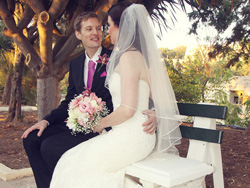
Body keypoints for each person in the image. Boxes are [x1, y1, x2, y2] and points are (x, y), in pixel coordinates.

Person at [50, 3, 181, 188]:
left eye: (110, 25)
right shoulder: (136, 56)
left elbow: (127, 111)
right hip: (127, 133)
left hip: (133, 136)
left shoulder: (128, 57)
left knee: (73, 163)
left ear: (122, 27)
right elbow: (156, 97)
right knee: (71, 158)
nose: (107, 30)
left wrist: (99, 124)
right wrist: (155, 112)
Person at [21, 11, 156, 188]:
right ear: (78, 34)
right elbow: (69, 101)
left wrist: (154, 112)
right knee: (31, 139)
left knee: (49, 147)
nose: (96, 33)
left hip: (104, 126)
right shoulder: (76, 64)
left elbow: (142, 88)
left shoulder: (116, 58)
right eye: (89, 29)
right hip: (79, 123)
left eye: (99, 28)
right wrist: (46, 121)